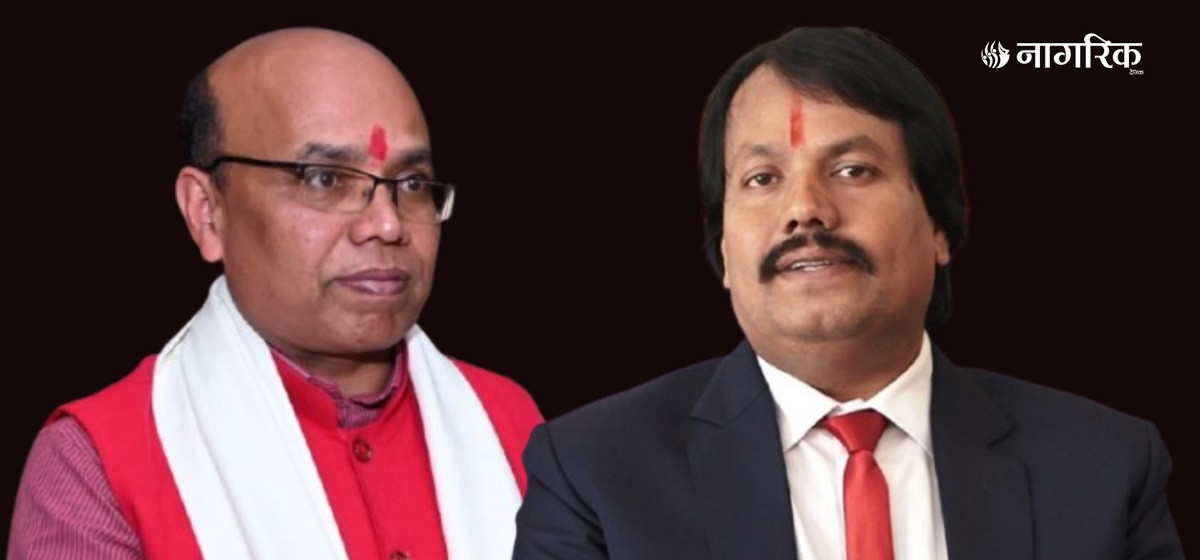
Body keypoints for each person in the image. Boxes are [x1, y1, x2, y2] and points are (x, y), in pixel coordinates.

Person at [512, 27, 1183, 560]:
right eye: (762, 179)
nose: (805, 209)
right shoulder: (594, 471)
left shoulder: (1102, 468)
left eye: (853, 170)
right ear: (722, 251)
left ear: (940, 225)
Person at [9, 28, 541, 560]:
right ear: (207, 212)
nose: (387, 224)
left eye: (413, 184)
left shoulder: (508, 422)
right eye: (325, 179)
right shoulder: (99, 464)